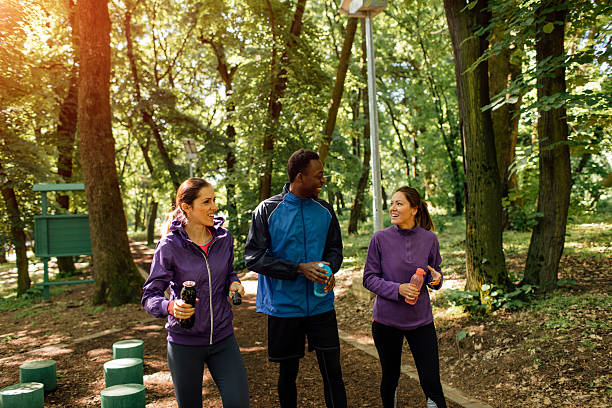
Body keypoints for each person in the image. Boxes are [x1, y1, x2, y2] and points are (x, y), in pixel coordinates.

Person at [245, 149, 347, 408]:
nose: (323, 180)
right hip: (284, 308)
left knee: (333, 373)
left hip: (321, 306)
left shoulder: (325, 209)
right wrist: (299, 268)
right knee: (288, 374)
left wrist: (329, 268)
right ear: (300, 177)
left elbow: (335, 248)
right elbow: (254, 257)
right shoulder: (267, 210)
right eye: (319, 175)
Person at [142, 178, 249, 408]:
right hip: (184, 344)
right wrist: (170, 306)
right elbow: (150, 296)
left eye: (214, 200)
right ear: (187, 208)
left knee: (238, 403)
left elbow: (228, 272)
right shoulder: (170, 246)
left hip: (223, 337)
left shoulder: (223, 238)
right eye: (206, 202)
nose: (214, 207)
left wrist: (234, 283)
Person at [363, 186, 447, 408]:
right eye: (391, 203)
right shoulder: (379, 239)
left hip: (421, 321)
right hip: (386, 322)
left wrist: (437, 280)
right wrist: (397, 289)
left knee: (431, 380)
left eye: (399, 204)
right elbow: (369, 279)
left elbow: (433, 274)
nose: (392, 208)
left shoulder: (429, 239)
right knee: (390, 377)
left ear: (414, 210)